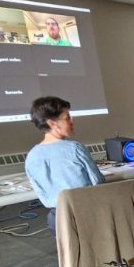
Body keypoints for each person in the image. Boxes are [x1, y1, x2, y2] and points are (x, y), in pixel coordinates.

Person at [25, 97, 105, 236]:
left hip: (57, 219)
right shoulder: (74, 149)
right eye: (67, 118)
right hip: (86, 215)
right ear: (52, 123)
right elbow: (98, 182)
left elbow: (41, 193)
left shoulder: (31, 156)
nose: (72, 121)